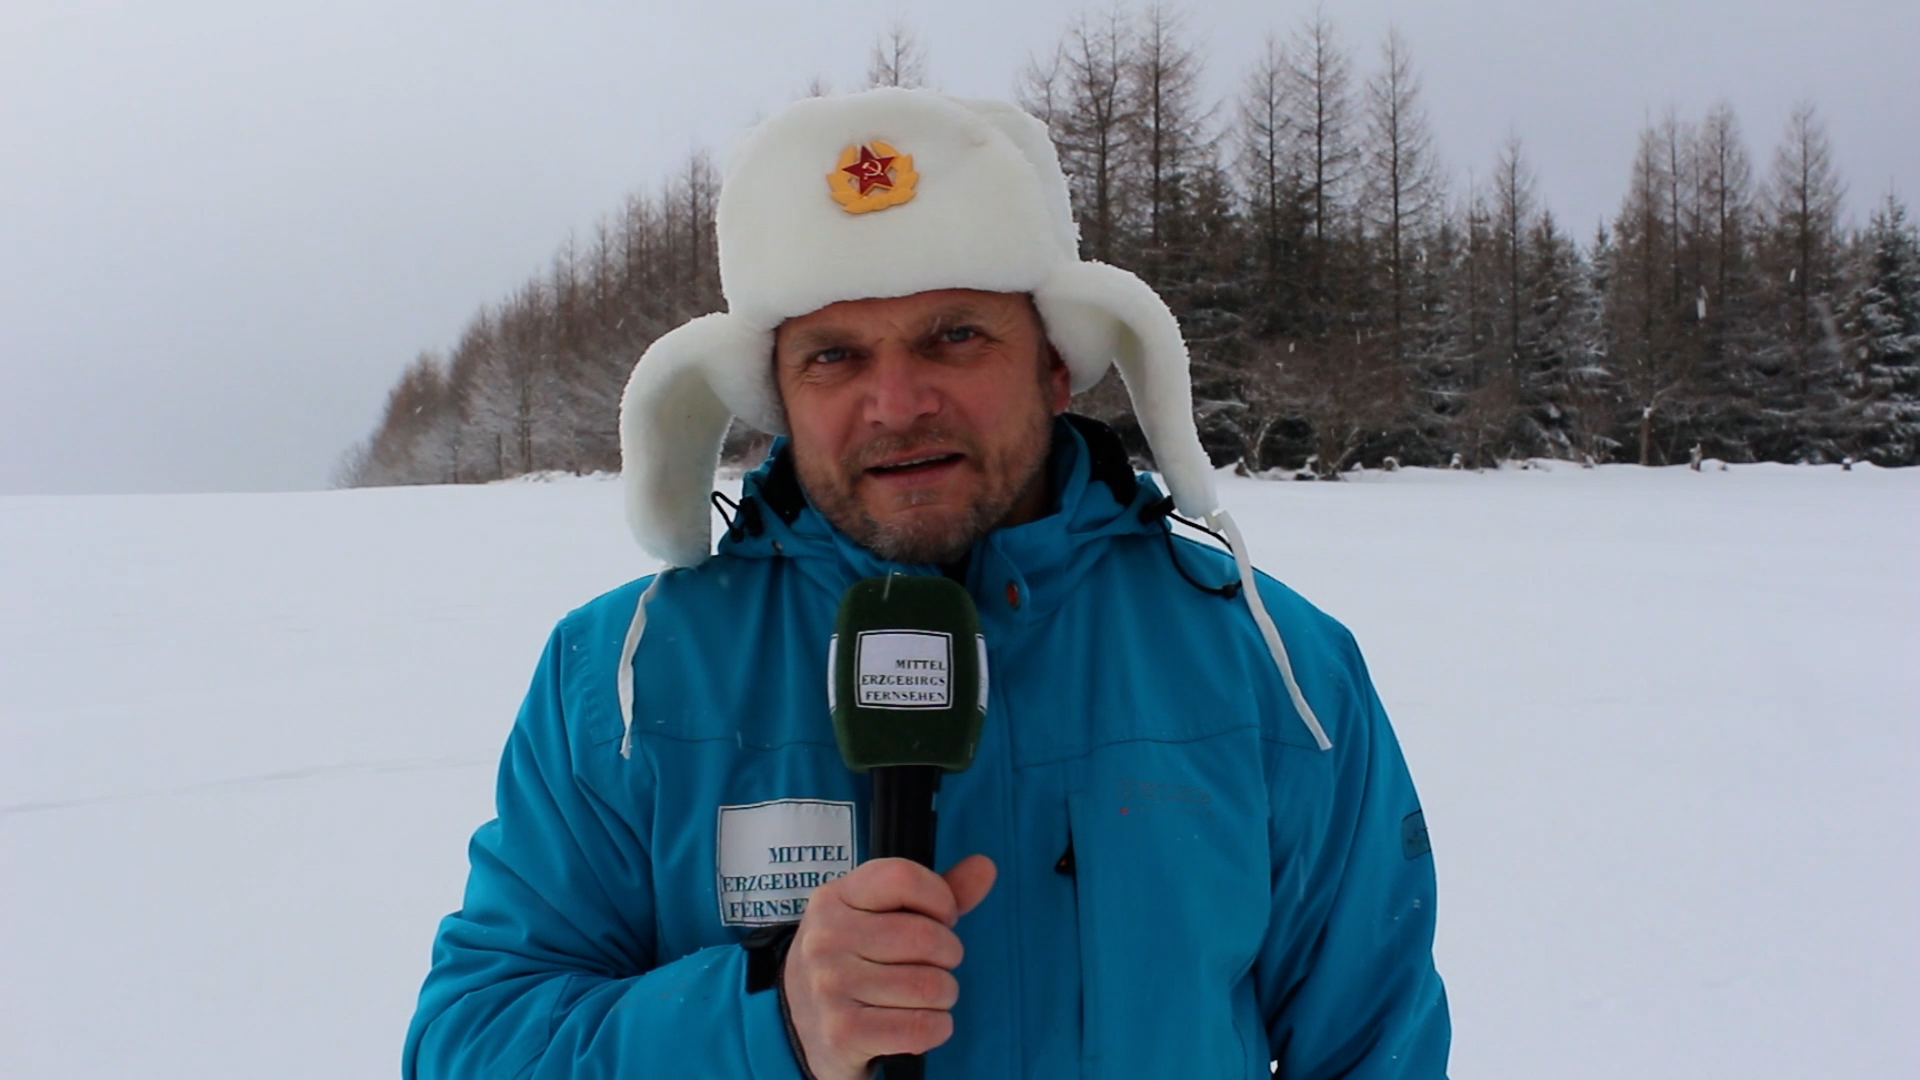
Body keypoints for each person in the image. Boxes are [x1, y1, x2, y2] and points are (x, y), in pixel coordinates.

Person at [403, 88, 1449, 1079]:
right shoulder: (623, 683)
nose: (896, 403)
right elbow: (473, 1042)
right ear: (775, 392)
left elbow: (1376, 1049)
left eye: (955, 334)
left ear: (1055, 360)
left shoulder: (1276, 670)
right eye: (833, 356)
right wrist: (766, 1024)